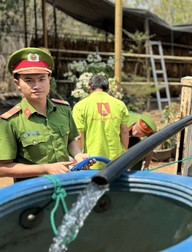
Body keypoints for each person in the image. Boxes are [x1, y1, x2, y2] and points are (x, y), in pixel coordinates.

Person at [0, 47, 93, 181]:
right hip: (34, 193)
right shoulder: (10, 121)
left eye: (41, 79)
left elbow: (71, 139)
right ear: (17, 83)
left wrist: (78, 156)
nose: (37, 85)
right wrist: (45, 169)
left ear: (49, 79)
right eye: (29, 80)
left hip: (65, 185)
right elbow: (3, 168)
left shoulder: (63, 109)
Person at [72, 74, 129, 169]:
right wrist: (124, 153)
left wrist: (80, 159)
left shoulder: (80, 106)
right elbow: (124, 131)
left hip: (91, 161)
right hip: (116, 161)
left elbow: (79, 136)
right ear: (108, 88)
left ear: (89, 87)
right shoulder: (120, 104)